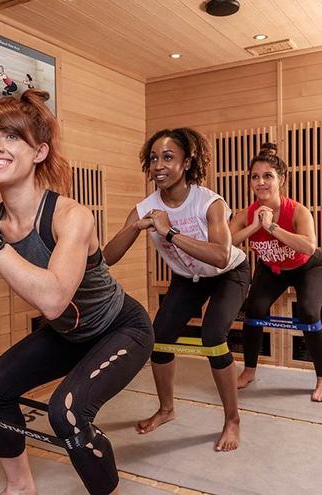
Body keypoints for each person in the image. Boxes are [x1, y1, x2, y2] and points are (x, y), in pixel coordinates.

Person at [0, 89, 154, 495]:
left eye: (11, 137)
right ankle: (20, 486)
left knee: (66, 412)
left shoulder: (70, 215)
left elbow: (52, 299)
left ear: (39, 152)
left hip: (121, 329)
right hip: (67, 334)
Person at [103, 128, 250, 452]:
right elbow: (108, 257)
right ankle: (166, 409)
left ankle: (232, 419)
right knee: (159, 338)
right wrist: (136, 227)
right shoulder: (146, 207)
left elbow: (221, 255)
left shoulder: (208, 202)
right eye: (154, 158)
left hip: (228, 274)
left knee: (213, 337)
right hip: (188, 278)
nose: (159, 165)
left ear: (186, 163)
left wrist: (169, 233)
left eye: (168, 157)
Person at [229, 143, 322, 402]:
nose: (260, 182)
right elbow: (225, 243)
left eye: (268, 176)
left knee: (308, 313)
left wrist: (271, 227)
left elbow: (309, 246)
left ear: (281, 180)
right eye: (255, 176)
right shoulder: (246, 214)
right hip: (272, 269)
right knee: (254, 311)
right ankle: (249, 370)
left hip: (308, 267)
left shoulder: (297, 211)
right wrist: (254, 226)